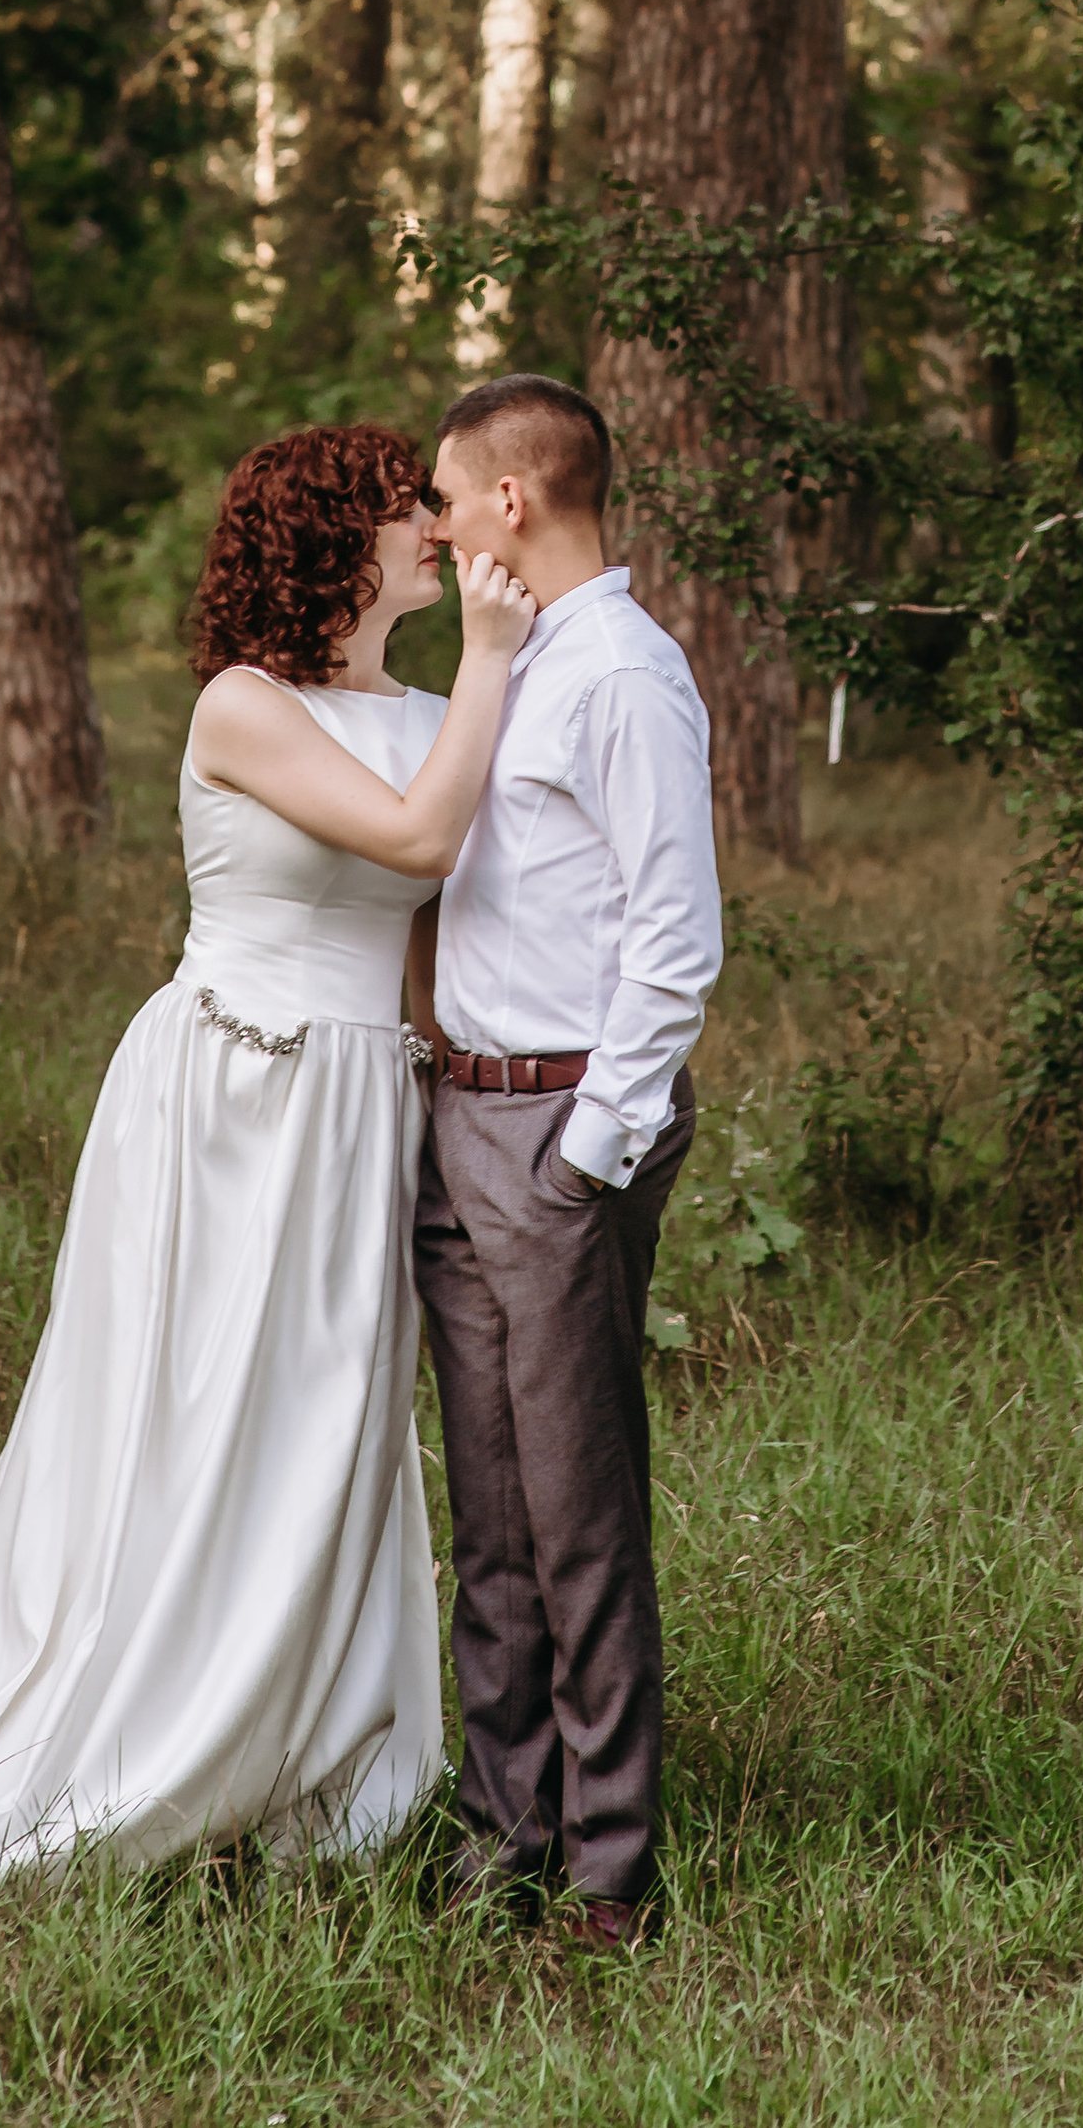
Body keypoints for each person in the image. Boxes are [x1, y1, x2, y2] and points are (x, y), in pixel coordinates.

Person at [0, 422, 535, 1914]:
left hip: (360, 1112)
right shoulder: (242, 708)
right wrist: (504, 660)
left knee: (325, 1431)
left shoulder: (424, 703)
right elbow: (417, 833)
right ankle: (134, 1734)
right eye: (406, 509)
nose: (435, 532)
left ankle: (301, 1747)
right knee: (186, 1425)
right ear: (337, 534)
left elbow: (462, 909)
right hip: (231, 1099)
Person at [414, 372, 724, 1954]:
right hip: (459, 1122)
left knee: (578, 1505)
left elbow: (676, 940)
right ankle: (501, 1827)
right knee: (493, 1505)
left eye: (449, 496)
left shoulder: (623, 672)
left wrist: (586, 1156)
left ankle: (609, 1867)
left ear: (513, 506)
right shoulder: (512, 661)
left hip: (557, 1136)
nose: (437, 521)